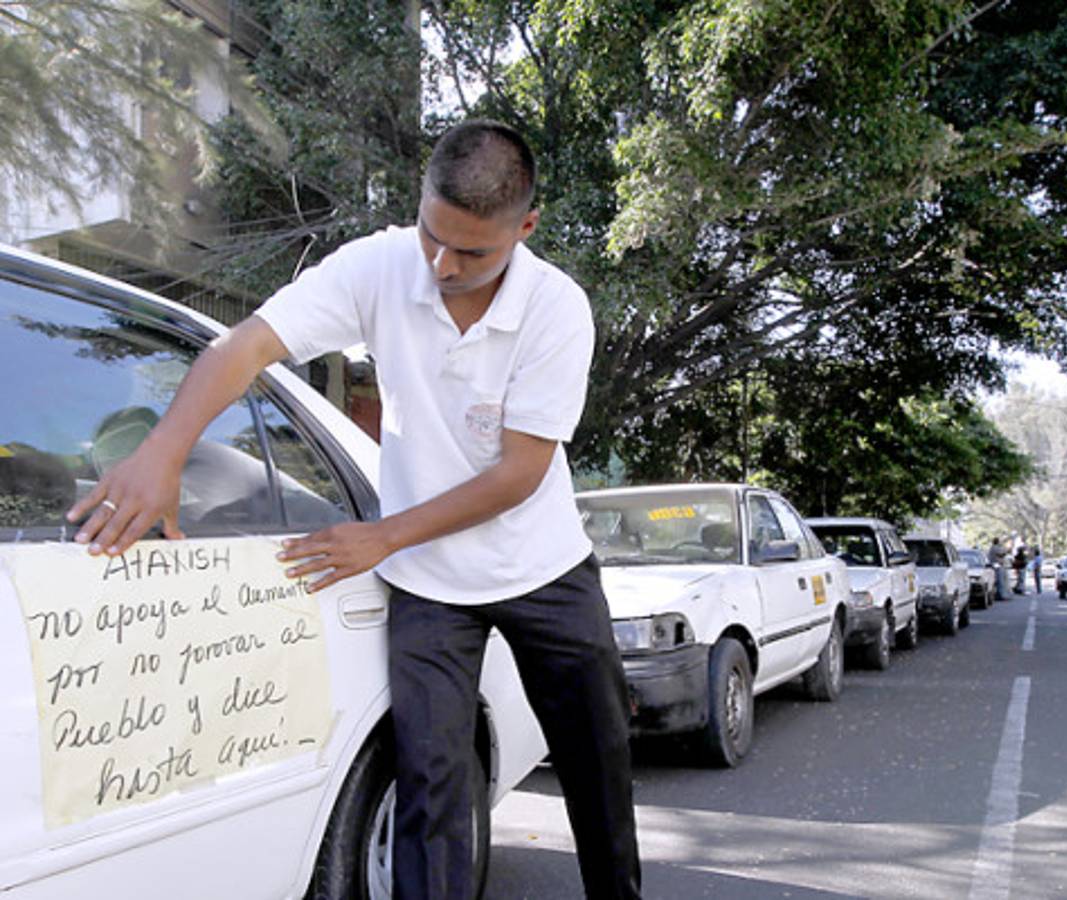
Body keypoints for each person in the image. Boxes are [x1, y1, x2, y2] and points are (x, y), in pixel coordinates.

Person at [67, 120, 642, 900]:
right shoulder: (379, 265)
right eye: (432, 237)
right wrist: (162, 453)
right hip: (429, 586)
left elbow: (518, 475)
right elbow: (242, 348)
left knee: (596, 769)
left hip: (543, 569)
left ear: (526, 228)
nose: (442, 266)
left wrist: (382, 535)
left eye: (471, 253)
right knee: (430, 790)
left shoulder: (556, 309)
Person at [988, 536, 1010, 601]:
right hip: (997, 565)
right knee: (1000, 581)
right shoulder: (994, 548)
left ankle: (999, 594)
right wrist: (1006, 551)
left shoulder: (994, 547)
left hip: (996, 565)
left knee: (1000, 581)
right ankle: (1000, 595)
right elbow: (1001, 554)